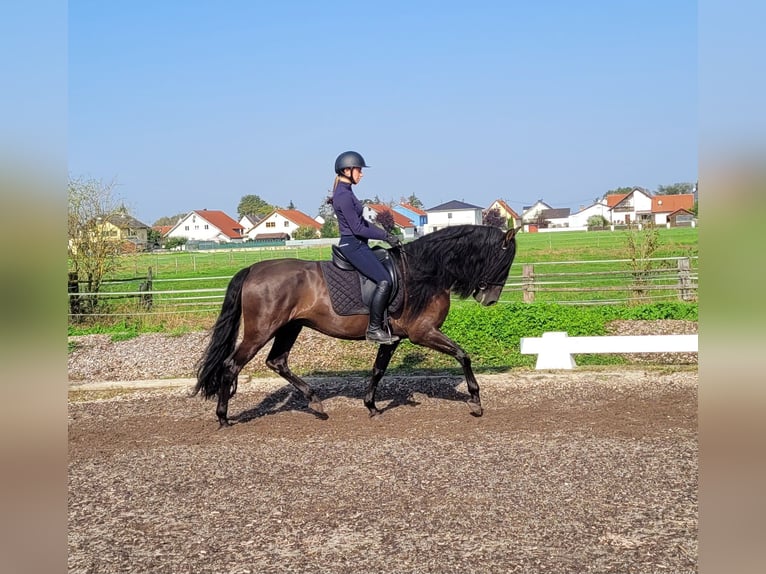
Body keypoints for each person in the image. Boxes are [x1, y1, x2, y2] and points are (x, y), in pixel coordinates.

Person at [331, 151, 402, 344]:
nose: (361, 174)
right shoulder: (343, 196)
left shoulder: (347, 192)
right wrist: (384, 236)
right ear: (347, 170)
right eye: (359, 170)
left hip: (358, 243)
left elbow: (362, 222)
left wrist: (385, 235)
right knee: (385, 281)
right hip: (352, 245)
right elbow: (357, 228)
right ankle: (374, 329)